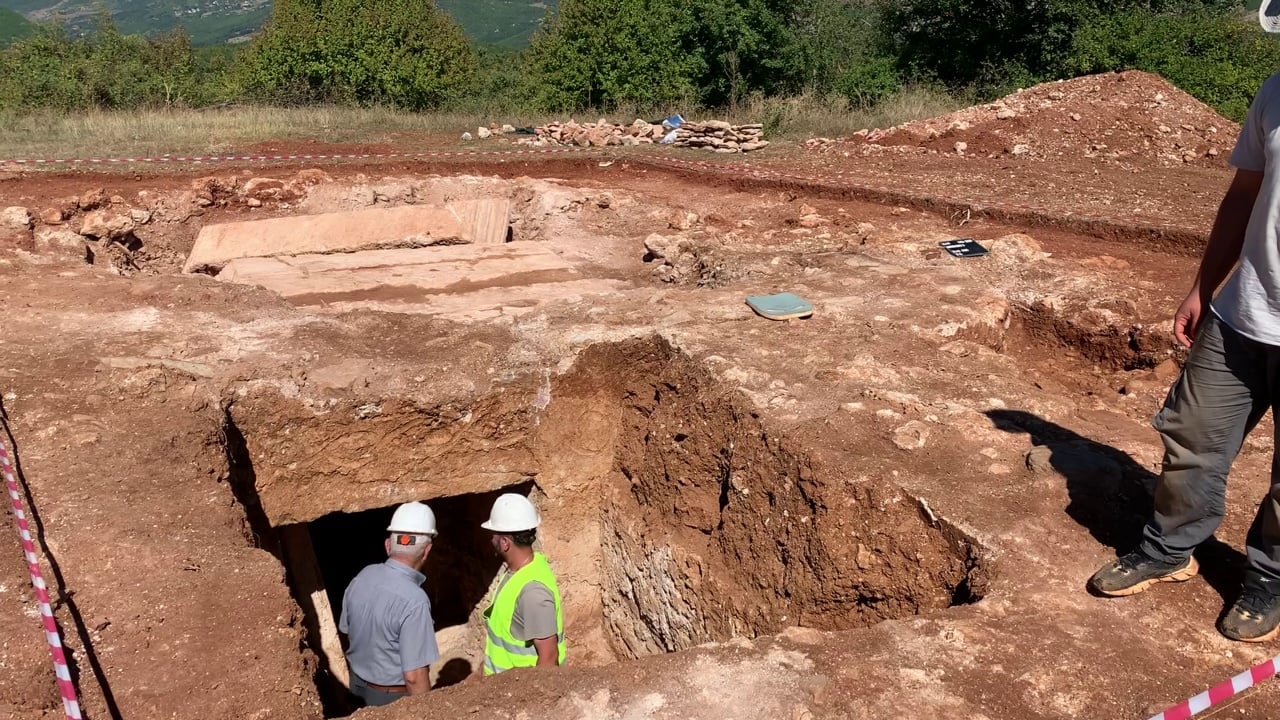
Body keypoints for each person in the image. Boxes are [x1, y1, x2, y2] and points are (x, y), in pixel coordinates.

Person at [1087, 32, 1280, 642]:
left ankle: (1270, 578)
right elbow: (1243, 197)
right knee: (1192, 438)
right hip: (1243, 314)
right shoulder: (1275, 94)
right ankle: (1170, 548)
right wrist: (1204, 284)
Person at [339, 502, 440, 705]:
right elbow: (414, 676)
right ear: (427, 550)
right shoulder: (415, 601)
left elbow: (347, 631)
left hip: (356, 688)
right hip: (391, 698)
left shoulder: (362, 576)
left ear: (387, 545)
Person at [479, 493, 565, 674]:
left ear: (505, 543)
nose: (490, 539)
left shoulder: (533, 593)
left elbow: (548, 658)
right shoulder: (517, 572)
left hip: (517, 698)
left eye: (493, 535)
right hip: (500, 691)